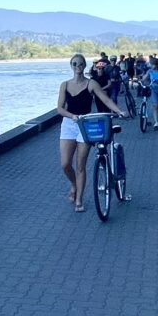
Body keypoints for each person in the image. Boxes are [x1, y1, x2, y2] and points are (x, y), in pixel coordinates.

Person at [58, 54, 124, 212]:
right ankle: (74, 184)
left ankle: (79, 199)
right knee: (65, 164)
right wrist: (72, 116)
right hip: (69, 124)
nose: (77, 67)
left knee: (80, 166)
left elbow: (105, 99)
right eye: (74, 64)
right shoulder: (64, 85)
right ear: (71, 65)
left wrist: (119, 111)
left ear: (84, 65)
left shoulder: (91, 83)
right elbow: (60, 108)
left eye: (80, 64)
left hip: (85, 124)